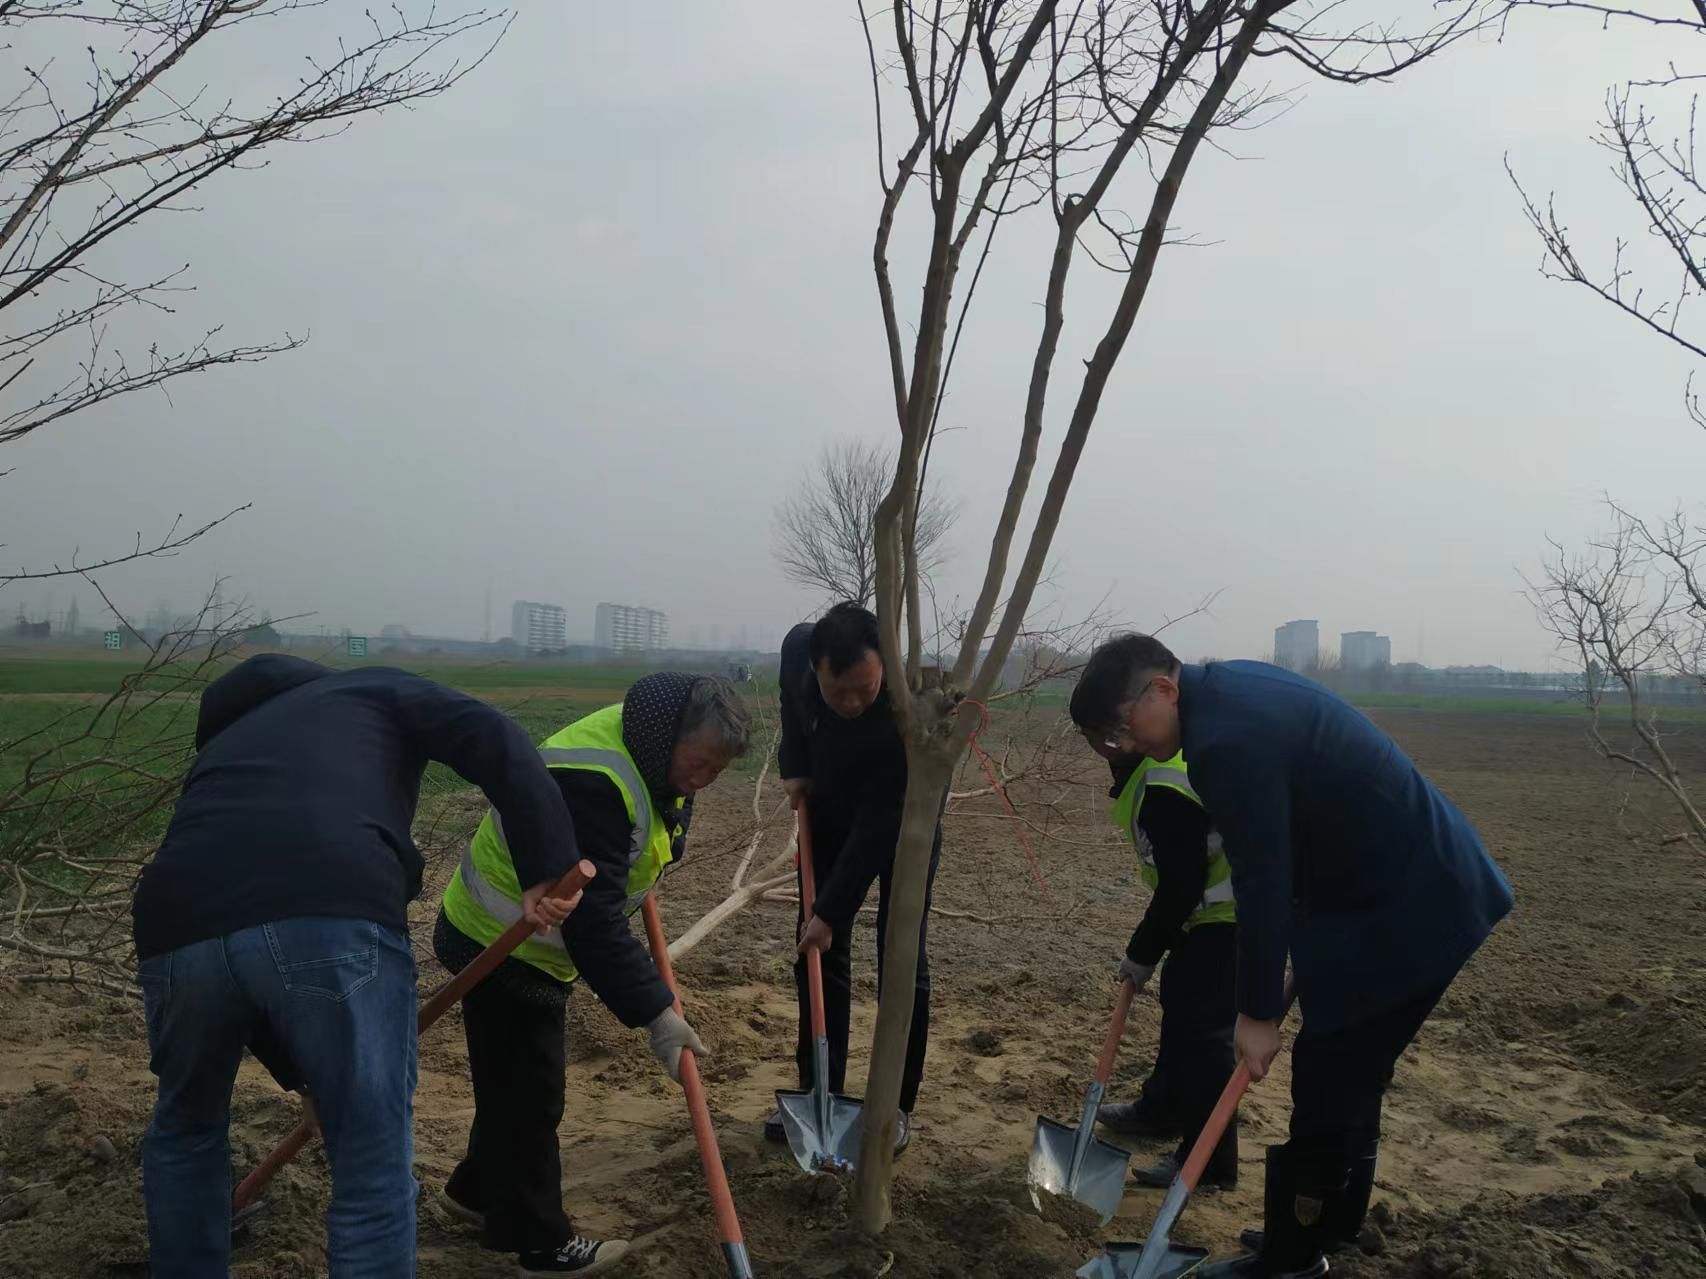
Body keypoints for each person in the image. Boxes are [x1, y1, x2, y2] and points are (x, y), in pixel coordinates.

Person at [1069, 636, 1514, 1279]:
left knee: (1330, 1071)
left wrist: (1254, 1013)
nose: (1125, 745)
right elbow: (1299, 840)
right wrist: (1294, 967)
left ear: (1162, 690)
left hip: (1408, 906)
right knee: (1352, 1071)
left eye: (1122, 727)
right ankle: (1331, 1223)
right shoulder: (1229, 692)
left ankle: (1292, 1258)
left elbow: (1263, 877)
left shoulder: (1222, 743)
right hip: (1391, 892)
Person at [132, 655, 585, 1279]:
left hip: (173, 925)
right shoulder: (372, 687)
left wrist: (313, 1077)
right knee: (370, 1158)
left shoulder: (228, 750)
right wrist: (545, 863)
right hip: (331, 904)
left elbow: (248, 963)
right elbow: (493, 734)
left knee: (186, 1130)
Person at [434, 673, 750, 1277]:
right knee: (531, 1095)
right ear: (669, 739)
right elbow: (592, 924)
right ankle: (539, 1244)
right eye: (700, 764)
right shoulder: (595, 783)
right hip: (499, 942)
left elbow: (633, 851)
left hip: (530, 941)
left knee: (511, 1084)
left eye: (718, 770)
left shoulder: (650, 753)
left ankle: (475, 1193)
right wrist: (656, 1012)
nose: (705, 780)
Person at [762, 602, 942, 1156]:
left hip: (903, 822)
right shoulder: (798, 649)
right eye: (838, 692)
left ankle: (894, 1105)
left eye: (865, 690)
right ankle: (821, 1091)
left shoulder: (899, 712)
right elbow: (791, 707)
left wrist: (831, 912)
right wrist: (795, 764)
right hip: (829, 806)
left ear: (885, 666)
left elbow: (877, 828)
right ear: (815, 668)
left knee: (900, 954)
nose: (852, 703)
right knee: (816, 955)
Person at [1074, 735, 1240, 1192]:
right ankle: (1162, 1110)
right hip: (1204, 918)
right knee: (1182, 1009)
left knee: (1205, 1038)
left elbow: (1181, 886)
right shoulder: (1154, 766)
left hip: (1228, 920)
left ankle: (1209, 1164)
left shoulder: (1164, 787)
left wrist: (1142, 952)